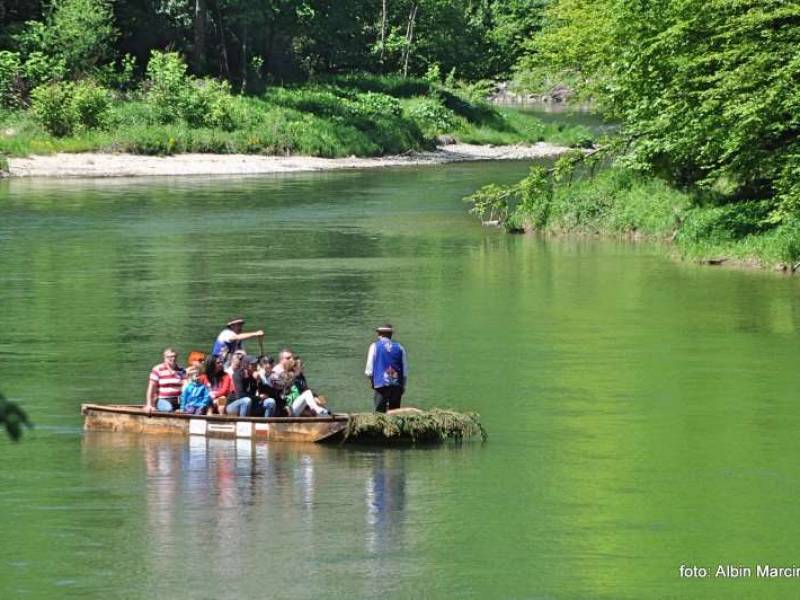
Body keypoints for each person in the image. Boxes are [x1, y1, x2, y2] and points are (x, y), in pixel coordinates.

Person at [365, 324, 408, 413]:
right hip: (397, 385)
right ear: (391, 335)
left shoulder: (374, 346)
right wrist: (403, 386)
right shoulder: (400, 347)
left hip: (381, 384)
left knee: (379, 414)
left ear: (380, 334)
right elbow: (404, 372)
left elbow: (369, 371)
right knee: (395, 413)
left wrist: (373, 382)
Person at [146, 347, 185, 413]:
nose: (173, 359)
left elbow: (186, 386)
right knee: (168, 409)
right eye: (169, 357)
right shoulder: (158, 369)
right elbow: (151, 388)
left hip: (178, 400)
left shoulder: (181, 370)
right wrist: (149, 405)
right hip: (162, 400)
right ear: (165, 358)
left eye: (174, 356)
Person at [227, 352, 256, 417]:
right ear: (246, 365)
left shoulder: (253, 376)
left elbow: (254, 391)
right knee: (246, 400)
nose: (255, 366)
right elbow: (239, 395)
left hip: (248, 402)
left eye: (255, 364)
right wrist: (257, 398)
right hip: (232, 405)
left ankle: (264, 424)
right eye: (253, 364)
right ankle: (243, 423)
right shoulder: (237, 375)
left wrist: (259, 381)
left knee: (269, 402)